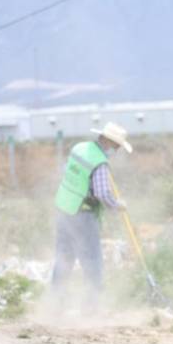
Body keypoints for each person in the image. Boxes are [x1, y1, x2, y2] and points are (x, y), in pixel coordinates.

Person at [51, 122, 132, 312]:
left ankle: (54, 305)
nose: (117, 150)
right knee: (92, 262)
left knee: (64, 259)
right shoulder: (100, 163)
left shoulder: (79, 148)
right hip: (83, 215)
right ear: (110, 142)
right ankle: (92, 309)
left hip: (64, 209)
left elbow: (69, 174)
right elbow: (103, 193)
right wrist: (117, 205)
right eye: (117, 146)